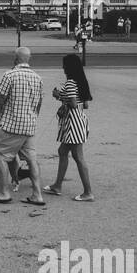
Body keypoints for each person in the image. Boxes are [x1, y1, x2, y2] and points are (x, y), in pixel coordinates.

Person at [0, 47, 46, 208]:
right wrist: (33, 118)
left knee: (0, 155)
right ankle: (37, 194)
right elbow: (39, 104)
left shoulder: (9, 75)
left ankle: (4, 192)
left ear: (15, 59)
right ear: (29, 59)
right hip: (30, 125)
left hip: (12, 124)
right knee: (31, 159)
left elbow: (0, 99)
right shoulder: (37, 78)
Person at [43, 53, 94, 202]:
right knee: (63, 151)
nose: (62, 67)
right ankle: (57, 185)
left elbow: (71, 103)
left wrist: (58, 95)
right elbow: (85, 104)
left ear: (69, 67)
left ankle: (88, 192)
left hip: (73, 122)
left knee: (78, 156)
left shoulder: (71, 83)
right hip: (78, 119)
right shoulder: (81, 81)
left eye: (64, 64)